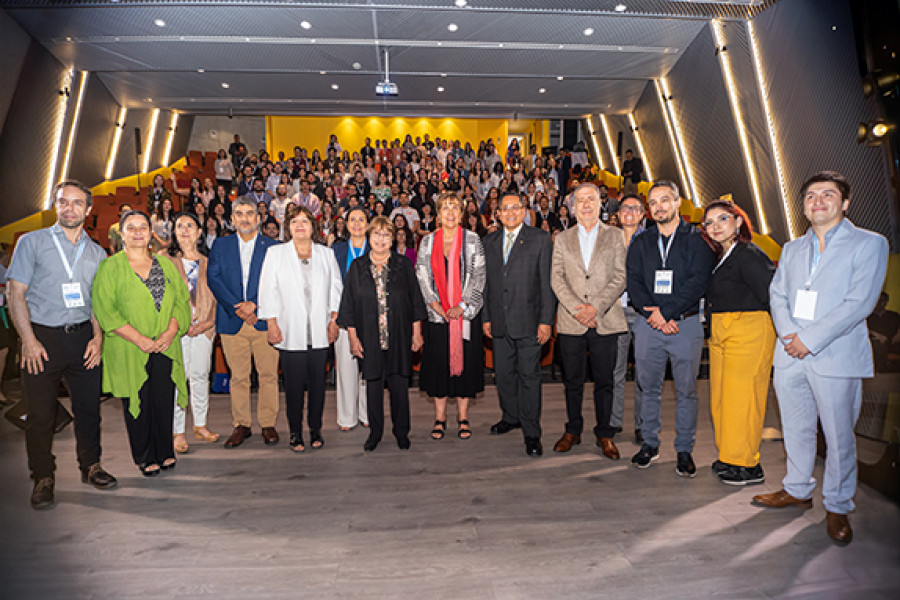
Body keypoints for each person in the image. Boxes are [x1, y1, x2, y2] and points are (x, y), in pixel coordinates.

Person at [753, 171, 888, 546]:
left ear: (845, 203)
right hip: (790, 354)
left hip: (835, 354)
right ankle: (797, 489)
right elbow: (777, 294)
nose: (818, 201)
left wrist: (808, 340)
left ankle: (838, 505)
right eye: (811, 196)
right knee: (795, 429)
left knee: (839, 435)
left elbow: (859, 303)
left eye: (828, 195)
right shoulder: (793, 248)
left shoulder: (869, 243)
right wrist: (789, 336)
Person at [7, 180, 117, 509]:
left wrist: (97, 337)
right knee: (40, 415)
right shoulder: (32, 242)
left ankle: (91, 466)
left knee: (88, 410)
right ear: (56, 205)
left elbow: (97, 302)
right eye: (63, 202)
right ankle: (43, 475)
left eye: (76, 203)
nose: (69, 208)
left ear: (88, 209)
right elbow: (15, 293)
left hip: (83, 338)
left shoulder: (97, 252)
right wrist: (27, 339)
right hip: (42, 339)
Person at [626, 180, 716, 476]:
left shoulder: (698, 239)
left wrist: (667, 312)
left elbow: (698, 281)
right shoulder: (642, 242)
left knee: (687, 391)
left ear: (678, 203)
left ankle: (684, 450)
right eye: (653, 203)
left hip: (685, 325)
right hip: (649, 325)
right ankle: (649, 443)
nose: (659, 207)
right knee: (647, 388)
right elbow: (634, 282)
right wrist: (656, 315)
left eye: (665, 200)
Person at [92, 210, 190, 476]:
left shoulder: (165, 264)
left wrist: (171, 332)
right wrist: (139, 339)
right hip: (129, 348)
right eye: (131, 228)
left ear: (151, 233)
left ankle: (165, 451)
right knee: (138, 402)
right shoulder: (110, 267)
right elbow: (105, 310)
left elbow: (181, 301)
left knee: (162, 399)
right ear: (121, 234)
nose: (137, 232)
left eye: (143, 227)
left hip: (165, 346)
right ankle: (145, 456)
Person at [701, 200, 776, 485]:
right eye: (709, 222)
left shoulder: (749, 254)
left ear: (739, 222)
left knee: (743, 401)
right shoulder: (721, 255)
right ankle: (729, 455)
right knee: (722, 399)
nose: (715, 226)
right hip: (723, 332)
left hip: (749, 332)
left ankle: (747, 465)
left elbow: (771, 296)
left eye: (722, 219)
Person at [550, 183, 627, 460]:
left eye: (590, 200)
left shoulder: (615, 236)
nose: (585, 205)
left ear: (600, 204)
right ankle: (573, 430)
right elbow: (556, 278)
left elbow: (620, 276)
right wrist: (577, 309)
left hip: (605, 318)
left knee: (605, 380)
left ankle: (605, 434)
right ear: (572, 207)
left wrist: (594, 307)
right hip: (572, 321)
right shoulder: (562, 239)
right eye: (580, 200)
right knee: (572, 380)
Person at [338, 217, 426, 452]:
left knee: (399, 389)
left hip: (399, 336)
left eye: (386, 235)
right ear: (369, 237)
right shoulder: (357, 267)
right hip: (368, 339)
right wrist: (353, 338)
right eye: (376, 234)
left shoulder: (404, 264)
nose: (381, 239)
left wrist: (417, 333)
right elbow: (348, 305)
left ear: (393, 238)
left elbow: (416, 301)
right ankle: (375, 433)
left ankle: (401, 432)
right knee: (373, 389)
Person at [259, 205, 342, 452]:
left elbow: (336, 288)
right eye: (295, 221)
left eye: (305, 221)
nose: (300, 225)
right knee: (293, 387)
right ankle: (295, 432)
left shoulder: (326, 254)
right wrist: (271, 324)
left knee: (318, 385)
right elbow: (267, 289)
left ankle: (315, 429)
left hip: (319, 330)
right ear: (289, 227)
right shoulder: (276, 254)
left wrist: (334, 320)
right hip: (289, 330)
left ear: (313, 226)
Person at [482, 193, 555, 457]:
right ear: (497, 213)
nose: (511, 212)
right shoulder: (488, 242)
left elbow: (547, 285)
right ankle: (510, 416)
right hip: (499, 324)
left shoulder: (540, 239)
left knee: (529, 377)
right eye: (505, 209)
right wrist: (486, 317)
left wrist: (546, 322)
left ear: (524, 210)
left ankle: (532, 432)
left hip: (530, 323)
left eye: (516, 208)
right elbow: (486, 285)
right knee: (503, 376)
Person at [207, 197, 281, 448]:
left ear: (258, 218)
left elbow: (277, 283)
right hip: (231, 320)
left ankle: (268, 424)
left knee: (268, 375)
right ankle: (242, 425)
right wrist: (238, 307)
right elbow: (214, 279)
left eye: (250, 213)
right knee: (238, 377)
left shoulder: (273, 247)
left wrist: (255, 306)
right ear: (232, 218)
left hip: (264, 320)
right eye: (239, 213)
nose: (245, 218)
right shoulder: (220, 244)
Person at [415, 192, 486, 441]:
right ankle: (440, 417)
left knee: (465, 368)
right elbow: (422, 276)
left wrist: (463, 305)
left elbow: (479, 276)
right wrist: (435, 305)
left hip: (464, 316)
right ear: (438, 213)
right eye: (445, 207)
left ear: (462, 213)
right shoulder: (428, 242)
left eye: (455, 207)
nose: (450, 212)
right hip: (438, 317)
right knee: (438, 368)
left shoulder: (472, 239)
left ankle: (463, 418)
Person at [167, 212, 219, 454]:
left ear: (199, 232)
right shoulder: (165, 261)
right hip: (176, 330)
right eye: (180, 226)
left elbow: (218, 298)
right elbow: (160, 300)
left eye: (190, 225)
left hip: (204, 328)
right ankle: (178, 431)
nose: (185, 229)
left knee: (200, 375)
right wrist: (179, 323)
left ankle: (200, 425)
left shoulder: (210, 263)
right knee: (178, 379)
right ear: (174, 232)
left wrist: (208, 323)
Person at [331, 206, 370, 430]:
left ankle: (367, 413)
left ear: (367, 224)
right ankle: (347, 417)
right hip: (343, 316)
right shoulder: (335, 251)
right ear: (346, 225)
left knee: (369, 368)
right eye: (352, 220)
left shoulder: (376, 247)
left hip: (370, 317)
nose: (357, 223)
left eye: (361, 219)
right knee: (346, 368)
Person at [610, 194, 646, 444]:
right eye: (625, 209)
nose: (630, 213)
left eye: (635, 209)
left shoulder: (651, 240)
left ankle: (642, 425)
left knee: (644, 372)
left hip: (643, 313)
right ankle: (613, 422)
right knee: (616, 370)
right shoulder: (609, 239)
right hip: (614, 311)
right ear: (618, 214)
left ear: (643, 214)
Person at [868, 292, 900, 372]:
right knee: (877, 345)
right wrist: (876, 335)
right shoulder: (868, 316)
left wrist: (898, 335)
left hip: (894, 341)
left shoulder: (893, 315)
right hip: (876, 342)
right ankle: (882, 371)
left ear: (886, 302)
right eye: (878, 300)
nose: (879, 303)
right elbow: (864, 330)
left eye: (882, 300)